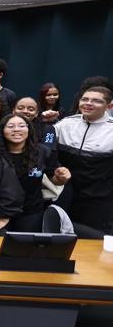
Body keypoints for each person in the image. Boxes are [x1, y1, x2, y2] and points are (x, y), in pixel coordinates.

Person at [54, 86, 113, 235]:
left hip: (99, 202)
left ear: (109, 106)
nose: (88, 103)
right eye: (85, 99)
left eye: (96, 101)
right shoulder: (64, 124)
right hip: (65, 197)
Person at [0, 114, 71, 232]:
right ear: (2, 130)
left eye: (22, 125)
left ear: (29, 129)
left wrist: (61, 177)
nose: (16, 129)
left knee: (27, 247)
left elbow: (55, 179)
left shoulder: (42, 151)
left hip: (31, 211)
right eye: (10, 126)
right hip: (1, 212)